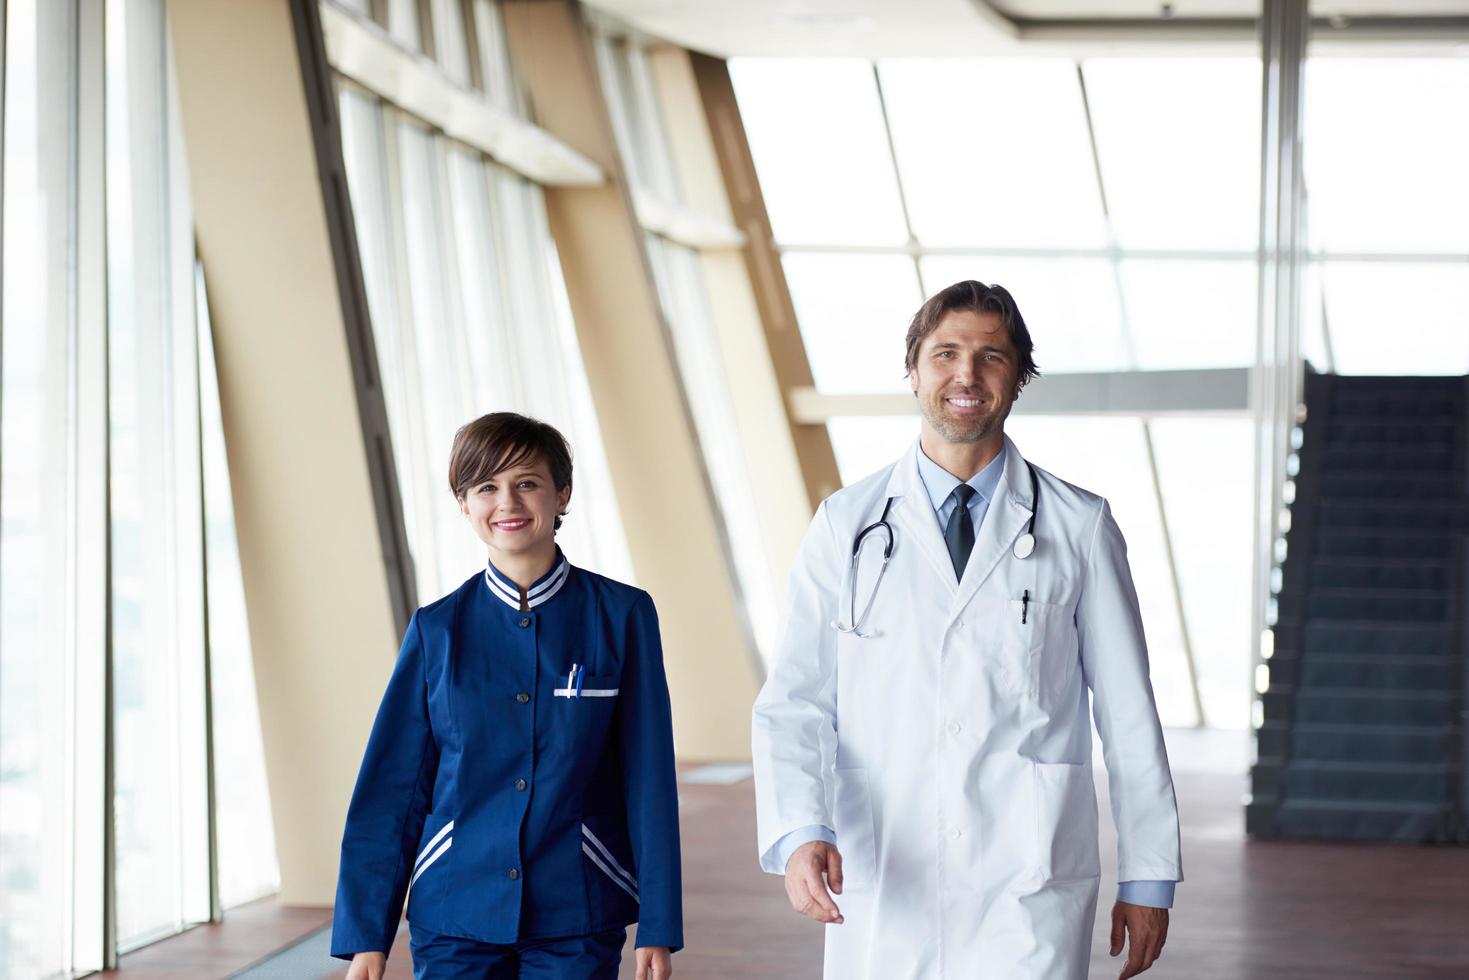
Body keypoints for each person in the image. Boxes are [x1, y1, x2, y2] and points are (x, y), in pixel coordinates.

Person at [752, 280, 1182, 980]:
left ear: (1017, 379)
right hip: (887, 866)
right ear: (913, 370)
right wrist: (802, 830)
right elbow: (794, 700)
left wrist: (1147, 877)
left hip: (1028, 873)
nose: (966, 375)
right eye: (945, 353)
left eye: (991, 357)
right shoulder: (845, 525)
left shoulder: (1078, 525)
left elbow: (1128, 712)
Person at [331, 412, 681, 980]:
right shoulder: (436, 630)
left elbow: (649, 778)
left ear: (562, 493)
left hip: (579, 906)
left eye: (527, 482)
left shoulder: (622, 615)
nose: (508, 503)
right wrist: (367, 934)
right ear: (464, 504)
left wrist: (660, 923)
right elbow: (391, 790)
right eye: (486, 487)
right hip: (453, 908)